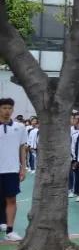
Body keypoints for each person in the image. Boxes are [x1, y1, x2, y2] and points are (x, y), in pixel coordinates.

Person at [0, 99, 28, 241]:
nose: (7, 111)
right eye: (4, 107)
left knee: (11, 200)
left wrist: (23, 168)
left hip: (11, 170)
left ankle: (10, 231)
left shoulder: (20, 127)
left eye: (9, 108)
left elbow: (22, 148)